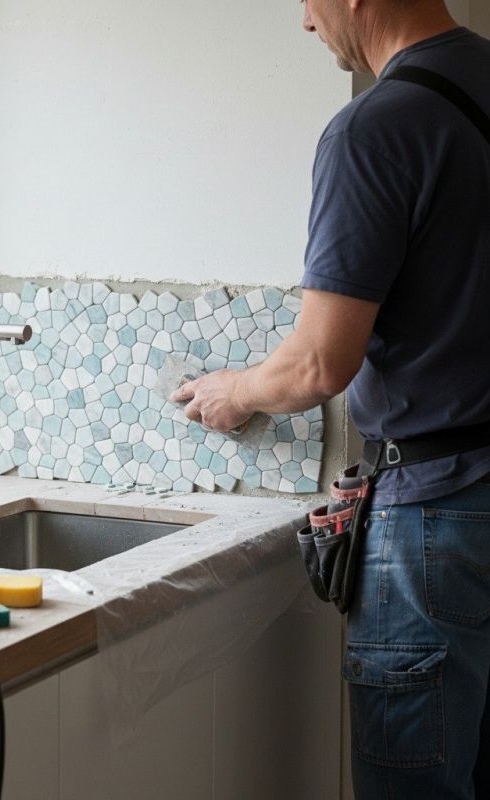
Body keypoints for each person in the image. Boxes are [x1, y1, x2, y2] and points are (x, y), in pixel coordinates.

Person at [171, 1, 490, 797]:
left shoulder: (374, 128)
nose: (306, 22)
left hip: (438, 524)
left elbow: (320, 362)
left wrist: (235, 390)